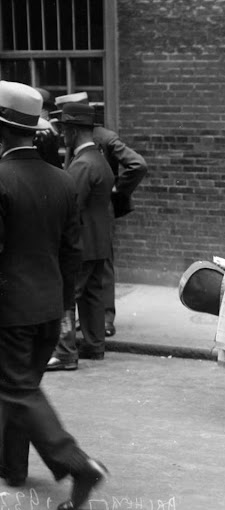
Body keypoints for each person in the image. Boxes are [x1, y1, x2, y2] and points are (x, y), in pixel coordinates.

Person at [0, 80, 107, 508]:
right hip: (48, 306)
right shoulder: (63, 181)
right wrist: (63, 307)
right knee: (22, 389)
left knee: (16, 389)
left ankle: (78, 464)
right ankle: (12, 466)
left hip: (11, 309)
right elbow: (72, 252)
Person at [52, 92, 148, 338]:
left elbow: (137, 164)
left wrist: (116, 192)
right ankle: (94, 330)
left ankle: (105, 319)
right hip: (90, 211)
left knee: (98, 268)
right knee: (95, 271)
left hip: (94, 211)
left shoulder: (103, 139)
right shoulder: (80, 144)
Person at [47, 103, 114, 370]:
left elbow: (68, 207)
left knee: (67, 295)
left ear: (73, 131)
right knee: (93, 296)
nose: (62, 135)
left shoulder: (82, 165)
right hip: (100, 243)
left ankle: (65, 352)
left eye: (64, 130)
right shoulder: (99, 161)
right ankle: (95, 346)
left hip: (80, 246)